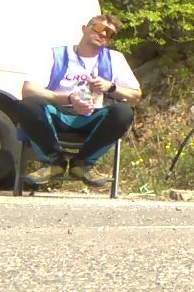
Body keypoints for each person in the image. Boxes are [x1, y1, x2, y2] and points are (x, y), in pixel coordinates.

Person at [15, 14, 142, 188]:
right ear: (84, 28)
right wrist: (68, 98)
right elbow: (28, 89)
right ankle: (55, 162)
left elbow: (136, 95)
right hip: (59, 113)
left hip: (93, 117)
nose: (103, 34)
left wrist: (111, 87)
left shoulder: (115, 59)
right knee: (28, 105)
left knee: (124, 111)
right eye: (99, 28)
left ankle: (83, 163)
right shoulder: (56, 55)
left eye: (109, 33)